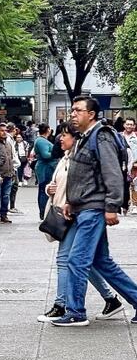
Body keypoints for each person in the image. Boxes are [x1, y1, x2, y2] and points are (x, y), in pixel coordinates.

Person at [52, 96, 137, 327]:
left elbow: (111, 173)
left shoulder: (101, 136)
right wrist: (71, 201)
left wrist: (112, 207)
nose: (73, 114)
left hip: (94, 208)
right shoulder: (84, 138)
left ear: (91, 114)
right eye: (72, 110)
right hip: (84, 206)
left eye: (78, 110)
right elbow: (83, 175)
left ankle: (76, 312)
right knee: (101, 262)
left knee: (77, 260)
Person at [36, 123, 123, 323]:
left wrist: (110, 207)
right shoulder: (65, 159)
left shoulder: (79, 158)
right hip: (73, 211)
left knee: (68, 259)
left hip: (77, 214)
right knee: (88, 262)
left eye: (65, 135)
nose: (60, 138)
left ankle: (63, 305)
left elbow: (84, 185)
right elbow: (62, 184)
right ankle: (111, 299)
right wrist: (51, 188)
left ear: (75, 138)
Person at [33, 124, 58, 219]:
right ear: (48, 130)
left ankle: (44, 212)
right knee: (44, 190)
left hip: (46, 167)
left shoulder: (41, 140)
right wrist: (56, 153)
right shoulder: (41, 141)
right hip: (45, 168)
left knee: (43, 190)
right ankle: (43, 212)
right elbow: (45, 155)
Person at [0, 124, 17, 224]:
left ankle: (4, 214)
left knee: (6, 195)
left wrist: (13, 171)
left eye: (6, 130)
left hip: (9, 173)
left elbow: (11, 157)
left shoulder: (8, 143)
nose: (4, 132)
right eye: (2, 131)